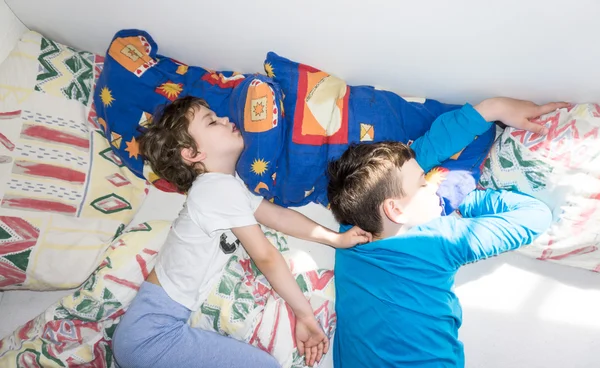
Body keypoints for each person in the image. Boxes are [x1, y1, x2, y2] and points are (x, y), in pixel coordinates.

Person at [111, 96, 373, 368]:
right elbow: (266, 257)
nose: (226, 119)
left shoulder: (225, 187)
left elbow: (279, 217)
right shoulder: (214, 190)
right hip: (152, 336)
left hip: (149, 332)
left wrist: (335, 238)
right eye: (212, 121)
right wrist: (305, 314)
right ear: (192, 154)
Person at [327, 98, 567, 368]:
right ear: (395, 209)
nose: (432, 185)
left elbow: (419, 156)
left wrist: (491, 110)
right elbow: (536, 215)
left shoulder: (350, 228)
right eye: (423, 184)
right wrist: (466, 201)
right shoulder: (440, 239)